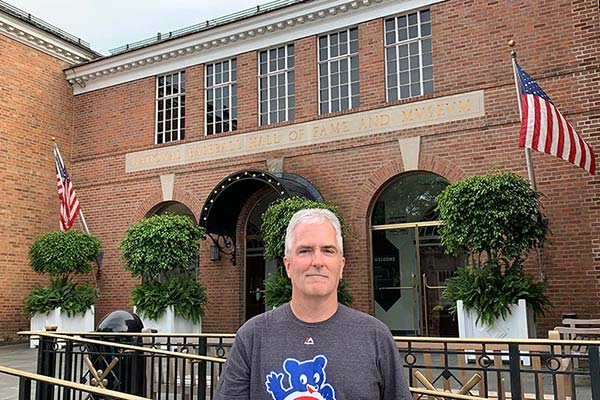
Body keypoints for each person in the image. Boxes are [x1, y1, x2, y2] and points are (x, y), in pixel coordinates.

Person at [214, 208, 412, 400]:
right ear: (288, 265)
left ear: (341, 265)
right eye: (305, 250)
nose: (317, 261)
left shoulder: (376, 336)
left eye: (328, 250)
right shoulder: (252, 337)